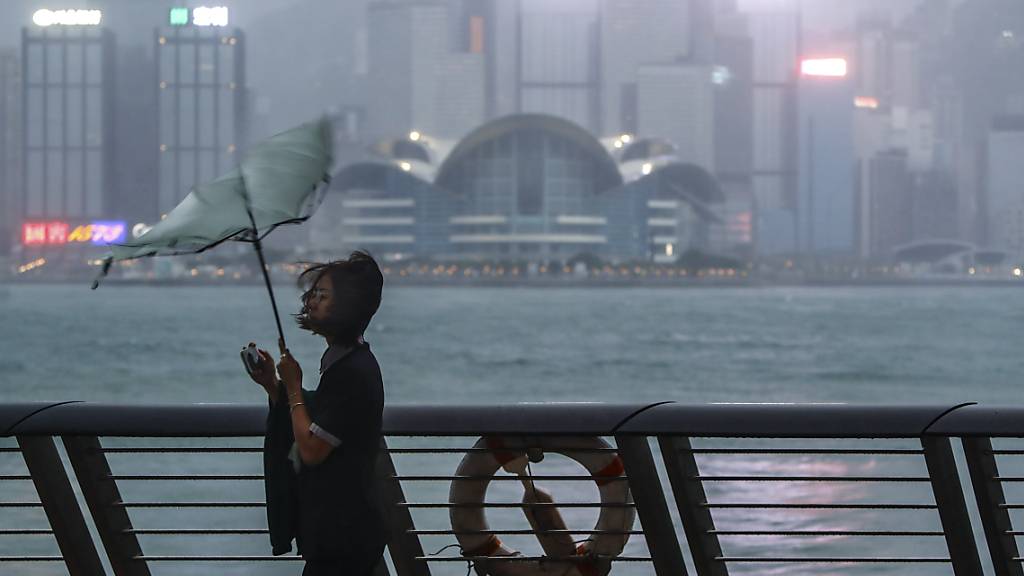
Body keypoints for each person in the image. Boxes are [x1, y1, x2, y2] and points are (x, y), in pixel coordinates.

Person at [247, 251, 388, 575]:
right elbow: (319, 416)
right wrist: (274, 385)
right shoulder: (348, 362)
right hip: (342, 531)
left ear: (347, 307)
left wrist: (293, 387)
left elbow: (311, 449)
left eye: (322, 296)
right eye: (313, 293)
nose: (311, 301)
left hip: (344, 535)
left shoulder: (352, 372)